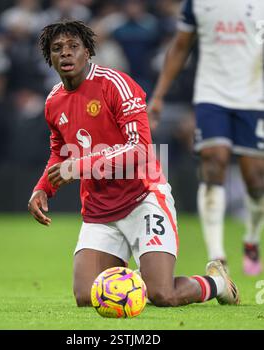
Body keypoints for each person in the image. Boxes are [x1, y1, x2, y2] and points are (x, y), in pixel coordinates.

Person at [28, 20, 239, 307]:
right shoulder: (54, 101)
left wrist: (80, 167)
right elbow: (61, 152)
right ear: (49, 58)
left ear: (88, 51)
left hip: (143, 198)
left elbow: (139, 150)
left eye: (73, 47)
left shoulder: (116, 84)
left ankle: (216, 283)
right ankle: (141, 280)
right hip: (100, 209)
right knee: (86, 297)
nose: (66, 53)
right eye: (57, 49)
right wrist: (43, 188)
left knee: (163, 295)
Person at [148, 0, 264, 275]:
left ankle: (251, 238)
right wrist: (159, 95)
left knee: (256, 180)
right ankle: (217, 256)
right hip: (211, 95)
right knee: (214, 161)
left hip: (253, 95)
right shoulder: (197, 4)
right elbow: (180, 46)